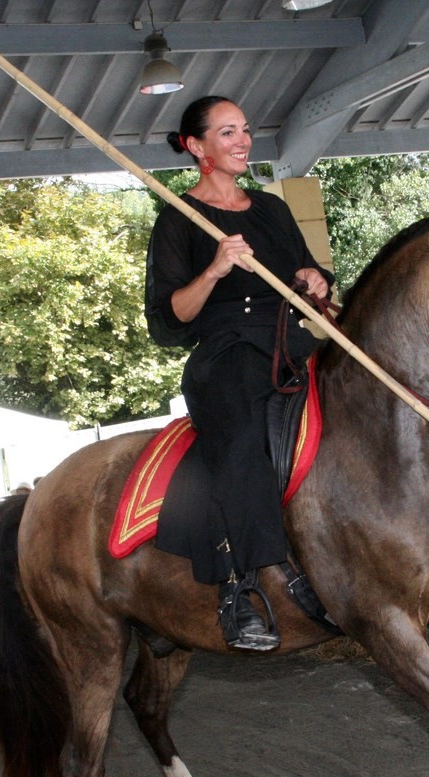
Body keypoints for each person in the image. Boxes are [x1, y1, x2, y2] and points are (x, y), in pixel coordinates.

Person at [145, 95, 333, 651]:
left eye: (245, 130)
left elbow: (307, 275)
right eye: (227, 133)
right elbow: (169, 317)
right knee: (244, 438)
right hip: (225, 357)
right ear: (197, 146)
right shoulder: (179, 220)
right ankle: (241, 585)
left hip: (289, 345)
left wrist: (315, 280)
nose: (243, 141)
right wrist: (216, 267)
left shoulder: (272, 210)